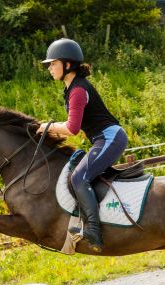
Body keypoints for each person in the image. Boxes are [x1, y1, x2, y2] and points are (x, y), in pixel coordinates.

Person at [37, 38, 128, 253]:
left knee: (79, 177)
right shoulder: (70, 89)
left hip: (110, 138)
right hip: (104, 138)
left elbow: (72, 128)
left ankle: (94, 231)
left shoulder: (78, 90)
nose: (50, 68)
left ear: (67, 64)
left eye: (53, 63)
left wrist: (48, 126)